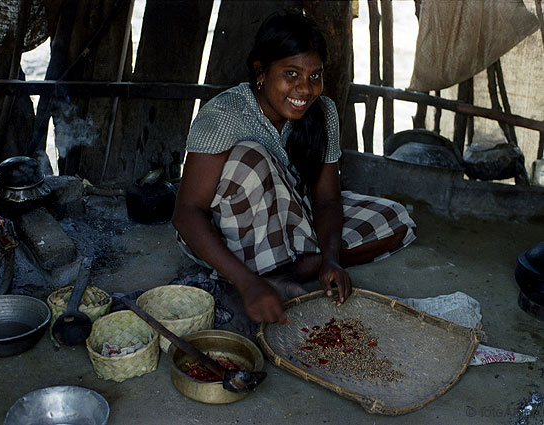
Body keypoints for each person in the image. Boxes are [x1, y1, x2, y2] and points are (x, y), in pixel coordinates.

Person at [172, 9, 416, 331]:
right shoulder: (225, 115)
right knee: (250, 158)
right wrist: (247, 283)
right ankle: (259, 276)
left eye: (314, 76)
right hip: (232, 229)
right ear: (261, 71)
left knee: (395, 220)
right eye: (291, 74)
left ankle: (284, 273)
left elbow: (327, 198)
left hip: (294, 218)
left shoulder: (324, 111)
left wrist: (329, 260)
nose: (305, 89)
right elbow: (187, 212)